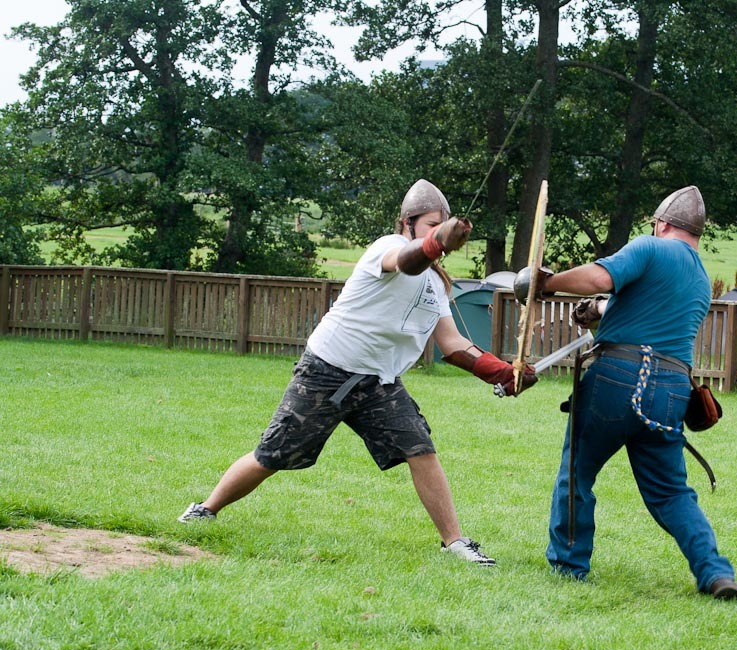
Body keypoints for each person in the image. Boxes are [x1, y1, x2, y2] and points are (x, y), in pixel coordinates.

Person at [178, 179, 536, 565]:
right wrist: (438, 242)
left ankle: (455, 543)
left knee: (421, 449)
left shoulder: (435, 284)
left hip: (380, 384)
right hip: (327, 371)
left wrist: (501, 372)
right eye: (431, 225)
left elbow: (451, 344)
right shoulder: (390, 248)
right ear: (407, 223)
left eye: (442, 225)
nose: (437, 232)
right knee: (274, 454)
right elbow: (406, 262)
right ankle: (205, 508)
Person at [519, 185, 737, 600]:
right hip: (670, 391)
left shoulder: (650, 246)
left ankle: (570, 566)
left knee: (577, 471)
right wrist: (601, 311)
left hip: (616, 377)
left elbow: (599, 277)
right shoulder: (701, 280)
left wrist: (546, 282)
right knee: (671, 492)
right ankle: (715, 573)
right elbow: (641, 309)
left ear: (661, 223)